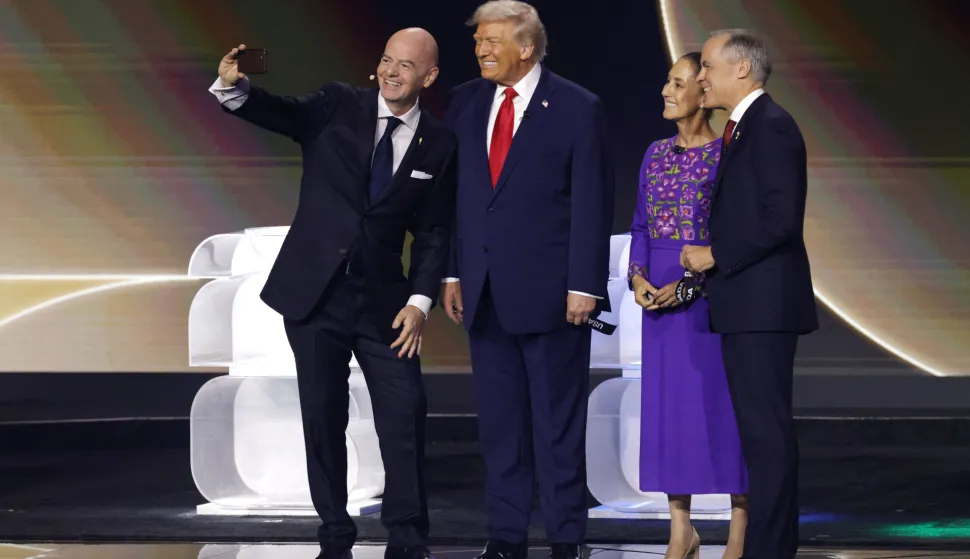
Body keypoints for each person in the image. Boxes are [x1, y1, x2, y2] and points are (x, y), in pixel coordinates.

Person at [208, 29, 456, 559]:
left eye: (405, 66)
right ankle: (335, 533)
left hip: (387, 306)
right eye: (386, 60)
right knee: (322, 417)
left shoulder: (439, 142)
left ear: (428, 77)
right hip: (314, 298)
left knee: (405, 411)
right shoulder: (338, 104)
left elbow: (435, 232)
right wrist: (237, 89)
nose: (391, 72)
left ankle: (409, 537)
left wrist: (420, 302)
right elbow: (281, 112)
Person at [440, 2, 613, 558]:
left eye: (492, 41)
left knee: (557, 425)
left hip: (554, 296)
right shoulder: (465, 102)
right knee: (500, 425)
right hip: (484, 292)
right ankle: (506, 535)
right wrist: (451, 270)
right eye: (477, 42)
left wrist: (584, 285)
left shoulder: (576, 106)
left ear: (527, 48)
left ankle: (567, 537)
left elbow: (591, 198)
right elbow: (457, 197)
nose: (481, 50)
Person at [681, 29, 818, 559]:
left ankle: (771, 549)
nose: (700, 77)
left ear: (742, 69)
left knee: (767, 435)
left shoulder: (773, 126)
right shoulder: (745, 128)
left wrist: (716, 255)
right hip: (745, 305)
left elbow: (781, 219)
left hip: (764, 306)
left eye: (708, 67)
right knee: (759, 436)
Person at [628, 52, 749, 559]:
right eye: (666, 81)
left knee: (723, 414)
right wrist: (636, 278)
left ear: (704, 92)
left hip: (709, 302)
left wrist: (687, 287)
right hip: (657, 305)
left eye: (677, 83)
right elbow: (640, 224)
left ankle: (740, 529)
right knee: (670, 417)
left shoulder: (727, 155)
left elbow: (733, 234)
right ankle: (682, 530)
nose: (665, 90)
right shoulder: (655, 152)